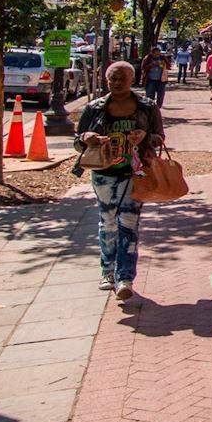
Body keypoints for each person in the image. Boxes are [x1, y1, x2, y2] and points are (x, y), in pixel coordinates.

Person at [73, 60, 165, 302]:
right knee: (108, 222)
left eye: (120, 79)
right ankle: (107, 271)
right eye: (111, 79)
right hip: (104, 175)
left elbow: (159, 138)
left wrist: (147, 137)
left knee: (129, 223)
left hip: (135, 174)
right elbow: (77, 141)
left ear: (131, 80)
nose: (115, 83)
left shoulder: (147, 107)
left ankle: (125, 277)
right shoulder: (94, 108)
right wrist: (87, 137)